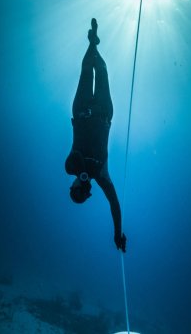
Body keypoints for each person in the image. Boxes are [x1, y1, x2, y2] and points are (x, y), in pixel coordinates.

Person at [65, 18, 126, 252]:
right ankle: (95, 44)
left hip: (81, 110)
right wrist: (117, 234)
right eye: (85, 193)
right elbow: (114, 203)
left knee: (85, 69)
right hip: (103, 112)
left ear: (74, 186)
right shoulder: (101, 175)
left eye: (79, 191)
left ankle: (92, 41)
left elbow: (75, 162)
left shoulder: (71, 168)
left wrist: (82, 174)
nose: (86, 190)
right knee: (101, 70)